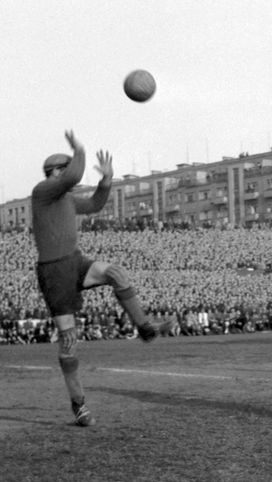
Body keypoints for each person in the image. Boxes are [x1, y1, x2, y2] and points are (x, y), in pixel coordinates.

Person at [31, 131, 159, 427]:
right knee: (69, 339)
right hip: (53, 272)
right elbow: (74, 175)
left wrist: (106, 181)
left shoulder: (64, 198)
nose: (70, 176)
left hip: (75, 261)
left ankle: (143, 326)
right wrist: (79, 149)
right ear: (56, 172)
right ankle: (79, 405)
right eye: (64, 170)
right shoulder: (43, 191)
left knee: (115, 272)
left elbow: (96, 204)